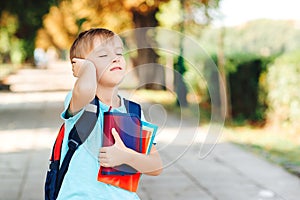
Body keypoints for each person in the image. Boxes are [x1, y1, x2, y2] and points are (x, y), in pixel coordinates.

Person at [57, 28, 163, 200]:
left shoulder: (133, 111)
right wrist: (87, 69)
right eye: (103, 55)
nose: (115, 58)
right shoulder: (81, 103)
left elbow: (155, 165)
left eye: (119, 53)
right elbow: (85, 88)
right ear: (81, 66)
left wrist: (126, 157)